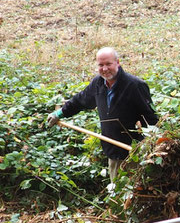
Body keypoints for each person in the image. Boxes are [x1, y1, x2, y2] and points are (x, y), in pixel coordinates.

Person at [47, 47, 158, 181]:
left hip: (133, 151)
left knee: (135, 191)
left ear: (118, 62)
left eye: (108, 64)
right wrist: (59, 113)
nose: (104, 69)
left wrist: (146, 144)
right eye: (101, 65)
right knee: (116, 192)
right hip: (112, 149)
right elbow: (81, 100)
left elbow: (150, 118)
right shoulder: (98, 83)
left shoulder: (135, 85)